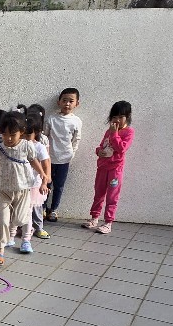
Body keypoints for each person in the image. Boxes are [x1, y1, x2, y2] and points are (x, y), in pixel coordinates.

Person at [0, 111, 39, 265]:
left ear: (21, 132)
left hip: (22, 190)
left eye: (12, 135)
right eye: (5, 134)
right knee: (2, 221)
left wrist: (44, 175)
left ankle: (23, 231)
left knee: (19, 219)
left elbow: (34, 161)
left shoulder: (27, 146)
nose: (8, 138)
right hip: (4, 190)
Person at [84, 100, 134, 235]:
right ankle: (94, 218)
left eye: (121, 117)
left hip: (115, 170)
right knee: (98, 193)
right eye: (114, 117)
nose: (117, 120)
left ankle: (108, 222)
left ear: (127, 117)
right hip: (102, 167)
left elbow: (122, 148)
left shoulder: (129, 132)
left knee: (112, 196)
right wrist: (98, 151)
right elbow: (102, 146)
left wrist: (114, 134)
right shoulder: (108, 131)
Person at [46, 88, 83, 223]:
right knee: (46, 184)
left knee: (59, 186)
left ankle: (53, 209)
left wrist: (72, 153)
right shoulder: (51, 119)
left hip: (64, 159)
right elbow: (45, 136)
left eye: (71, 101)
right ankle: (42, 208)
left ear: (76, 104)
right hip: (48, 159)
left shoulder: (76, 121)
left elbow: (76, 139)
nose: (67, 104)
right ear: (59, 102)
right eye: (64, 100)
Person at [16, 104, 52, 240]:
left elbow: (46, 164)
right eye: (23, 134)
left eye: (28, 134)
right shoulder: (18, 146)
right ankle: (24, 227)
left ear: (36, 132)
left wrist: (45, 182)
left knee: (36, 207)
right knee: (22, 207)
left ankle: (39, 227)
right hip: (21, 183)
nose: (25, 137)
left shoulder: (39, 147)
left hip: (35, 183)